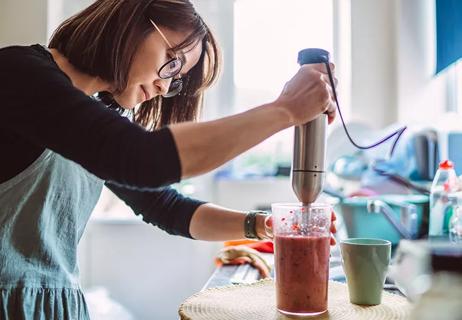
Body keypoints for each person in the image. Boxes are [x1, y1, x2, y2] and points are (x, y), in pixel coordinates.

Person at [0, 0, 337, 318]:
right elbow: (144, 159)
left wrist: (263, 226)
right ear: (130, 21)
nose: (165, 86)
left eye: (176, 79)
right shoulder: (18, 73)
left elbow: (165, 207)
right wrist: (284, 110)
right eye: (172, 60)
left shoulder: (93, 116)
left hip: (56, 307)